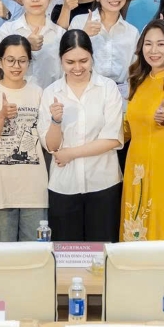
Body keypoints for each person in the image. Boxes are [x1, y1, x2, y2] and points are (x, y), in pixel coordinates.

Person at [42, 30, 124, 241]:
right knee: (66, 253)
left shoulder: (107, 88)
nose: (77, 68)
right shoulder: (51, 92)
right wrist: (55, 121)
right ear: (61, 60)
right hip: (64, 186)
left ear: (92, 57)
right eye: (70, 62)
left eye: (83, 61)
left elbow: (113, 138)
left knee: (103, 251)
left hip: (103, 183)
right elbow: (51, 146)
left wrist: (71, 153)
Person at [120, 20, 164, 240]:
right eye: (148, 44)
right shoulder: (137, 79)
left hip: (163, 162)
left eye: (161, 44)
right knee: (135, 220)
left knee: (162, 219)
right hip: (135, 161)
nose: (153, 50)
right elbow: (127, 128)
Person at [0, 35, 49, 239]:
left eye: (22, 60)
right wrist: (2, 116)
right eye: (10, 60)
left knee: (35, 255)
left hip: (34, 193)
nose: (16, 66)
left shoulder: (38, 93)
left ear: (29, 62)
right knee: (1, 257)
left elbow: (47, 142)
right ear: (0, 61)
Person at [0, 0, 65, 88]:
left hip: (50, 98)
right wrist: (25, 46)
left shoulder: (60, 34)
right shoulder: (7, 30)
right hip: (14, 96)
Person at [78, 0, 139, 90]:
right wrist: (83, 36)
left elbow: (136, 71)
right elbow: (67, 58)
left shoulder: (132, 32)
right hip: (86, 90)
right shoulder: (80, 22)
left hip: (121, 93)